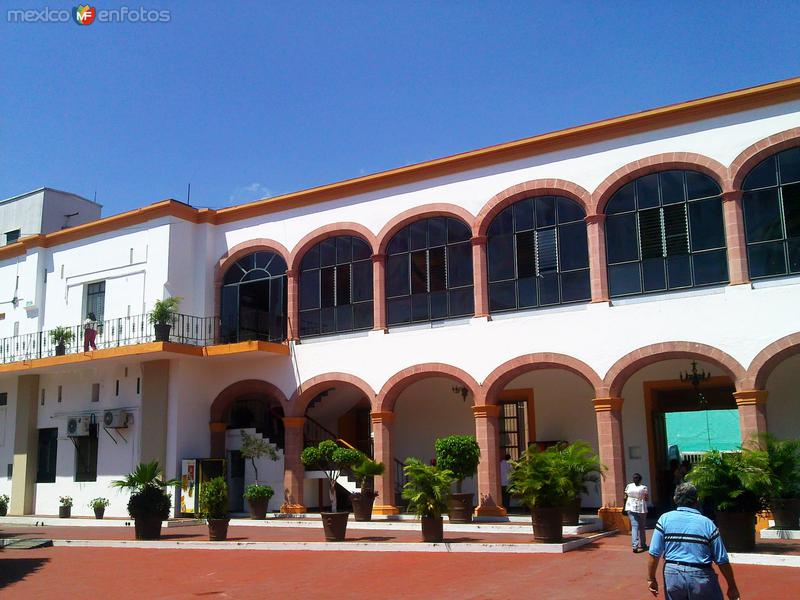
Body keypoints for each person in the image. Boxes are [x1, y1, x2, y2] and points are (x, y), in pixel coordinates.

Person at [647, 482, 740, 600]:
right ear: (697, 501)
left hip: (673, 574)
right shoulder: (707, 524)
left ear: (675, 499)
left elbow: (654, 554)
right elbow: (721, 559)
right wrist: (732, 586)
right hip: (700, 574)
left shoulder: (664, 519)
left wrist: (651, 578)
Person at [624, 472, 649, 553]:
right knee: (641, 526)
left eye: (635, 478)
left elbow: (625, 497)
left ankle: (635, 545)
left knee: (635, 526)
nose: (635, 479)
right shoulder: (644, 488)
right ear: (640, 479)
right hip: (640, 508)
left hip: (630, 507)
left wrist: (624, 506)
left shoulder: (629, 486)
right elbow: (646, 498)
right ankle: (642, 544)